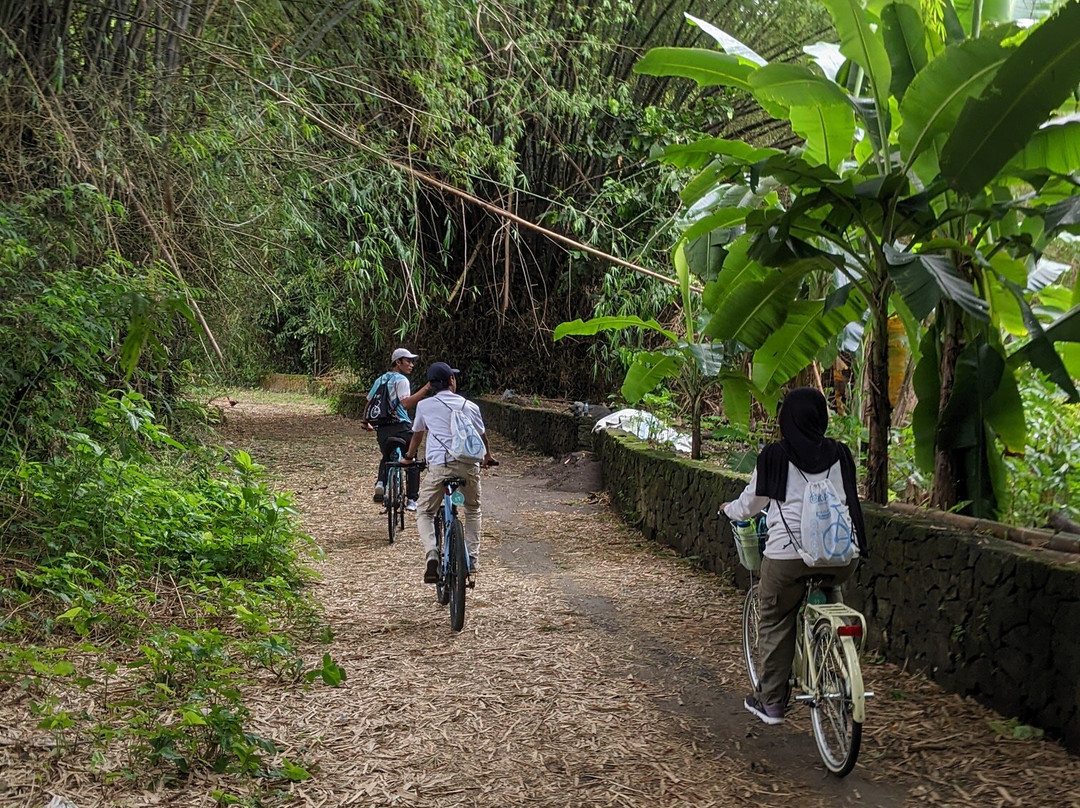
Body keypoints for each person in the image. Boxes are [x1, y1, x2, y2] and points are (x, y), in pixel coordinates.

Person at [720, 387, 867, 726]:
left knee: (775, 618)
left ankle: (771, 702)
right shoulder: (841, 454)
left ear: (787, 418)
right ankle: (839, 661)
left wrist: (730, 510)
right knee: (831, 593)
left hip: (788, 558)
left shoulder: (776, 455)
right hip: (842, 556)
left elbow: (752, 503)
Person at [402, 362, 495, 583]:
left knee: (424, 511)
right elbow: (482, 436)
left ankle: (432, 553)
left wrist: (408, 457)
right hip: (468, 466)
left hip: (440, 467)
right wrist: (487, 457)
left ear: (431, 385)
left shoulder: (425, 406)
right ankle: (471, 559)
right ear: (451, 381)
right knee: (472, 509)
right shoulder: (469, 406)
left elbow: (417, 435)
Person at [364, 348, 431, 510]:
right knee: (411, 458)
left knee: (387, 455)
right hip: (401, 426)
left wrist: (366, 422)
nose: (411, 365)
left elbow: (369, 402)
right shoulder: (402, 380)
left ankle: (381, 482)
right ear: (397, 362)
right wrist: (426, 388)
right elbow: (406, 403)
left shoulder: (380, 379)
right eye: (408, 361)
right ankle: (411, 500)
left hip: (383, 429)